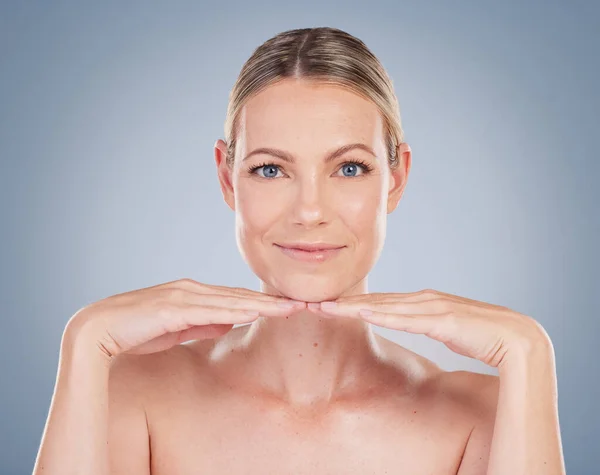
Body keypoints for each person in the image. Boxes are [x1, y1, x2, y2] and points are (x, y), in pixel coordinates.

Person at [33, 27, 564, 474]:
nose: (310, 210)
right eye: (271, 169)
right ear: (226, 176)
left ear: (397, 178)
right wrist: (84, 343)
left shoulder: (481, 415)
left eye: (349, 168)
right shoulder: (130, 393)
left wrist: (530, 355)